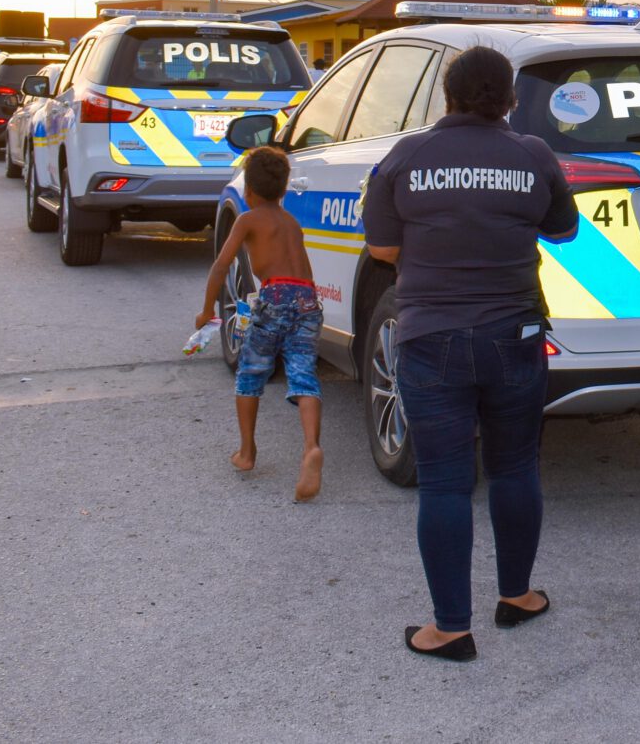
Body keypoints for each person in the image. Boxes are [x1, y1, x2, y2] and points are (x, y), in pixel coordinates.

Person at [363, 45, 579, 664]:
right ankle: (517, 595)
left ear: (447, 95)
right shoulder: (533, 155)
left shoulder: (407, 156)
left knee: (446, 483)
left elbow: (381, 248)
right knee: (515, 468)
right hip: (516, 337)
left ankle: (450, 628)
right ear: (509, 99)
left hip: (431, 338)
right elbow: (562, 230)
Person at [198, 146, 323, 500]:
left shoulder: (248, 219)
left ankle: (248, 452)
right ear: (283, 190)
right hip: (308, 300)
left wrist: (207, 308)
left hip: (275, 296)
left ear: (248, 191)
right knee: (303, 375)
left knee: (251, 373)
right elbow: (305, 275)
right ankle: (312, 446)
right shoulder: (291, 223)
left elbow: (222, 265)